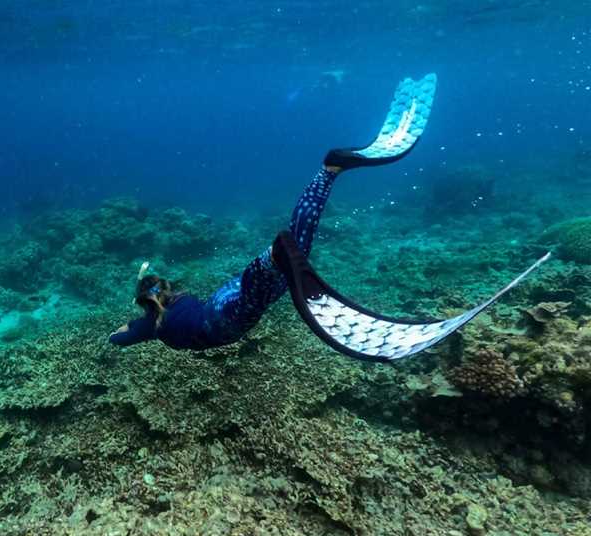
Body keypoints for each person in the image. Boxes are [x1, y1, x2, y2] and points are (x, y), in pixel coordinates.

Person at [109, 74, 550, 361]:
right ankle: (328, 172)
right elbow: (135, 322)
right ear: (163, 289)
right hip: (219, 302)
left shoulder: (153, 324)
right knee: (275, 269)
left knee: (262, 285)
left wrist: (126, 325)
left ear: (147, 302)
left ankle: (274, 253)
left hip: (222, 320)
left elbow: (119, 337)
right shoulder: (176, 302)